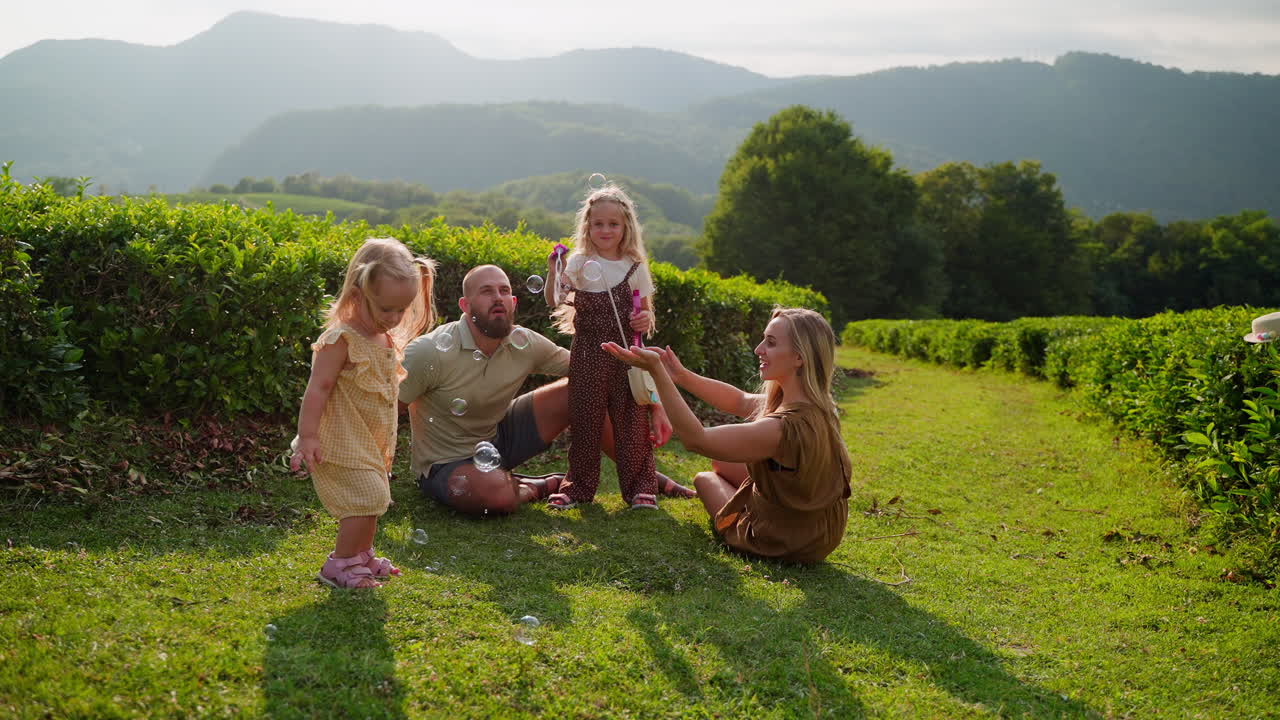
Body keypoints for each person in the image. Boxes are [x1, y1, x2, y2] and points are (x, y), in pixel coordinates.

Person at [399, 264, 692, 516]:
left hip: (498, 440)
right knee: (497, 497)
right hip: (446, 463)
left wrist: (655, 403)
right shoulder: (429, 352)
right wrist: (377, 476)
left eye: (504, 291)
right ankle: (539, 485)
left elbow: (594, 370)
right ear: (465, 305)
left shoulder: (524, 342)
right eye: (486, 291)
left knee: (584, 386)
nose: (498, 298)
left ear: (514, 302)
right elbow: (386, 410)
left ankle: (646, 479)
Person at [604, 307, 852, 564]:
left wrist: (657, 372)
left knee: (705, 479)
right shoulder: (817, 406)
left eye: (771, 343)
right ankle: (761, 504)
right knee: (722, 461)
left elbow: (696, 440)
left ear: (799, 357)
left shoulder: (780, 427)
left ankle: (751, 519)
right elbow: (740, 400)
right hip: (819, 532)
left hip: (786, 542)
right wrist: (680, 375)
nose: (758, 349)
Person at [291, 237, 437, 588]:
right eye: (386, 309)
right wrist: (307, 436)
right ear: (357, 296)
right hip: (341, 439)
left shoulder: (383, 338)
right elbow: (318, 387)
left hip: (370, 441)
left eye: (402, 310)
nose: (394, 318)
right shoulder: (341, 339)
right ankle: (339, 564)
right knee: (367, 498)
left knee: (374, 498)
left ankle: (361, 555)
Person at [542, 184, 660, 509]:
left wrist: (644, 319)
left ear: (626, 227)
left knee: (632, 423)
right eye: (598, 224)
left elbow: (646, 313)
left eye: (613, 224)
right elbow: (554, 299)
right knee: (585, 422)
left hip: (626, 356)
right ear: (587, 227)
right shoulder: (580, 262)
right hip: (586, 354)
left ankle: (641, 488)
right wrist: (554, 271)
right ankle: (577, 488)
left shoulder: (635, 266)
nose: (605, 230)